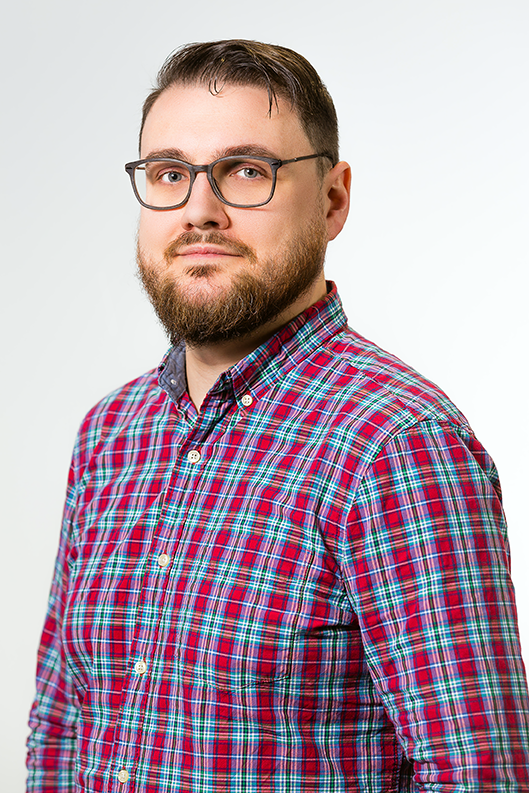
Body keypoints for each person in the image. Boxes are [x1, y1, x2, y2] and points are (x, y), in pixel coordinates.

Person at [27, 39, 529, 792]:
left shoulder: (395, 446)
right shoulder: (111, 434)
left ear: (332, 201)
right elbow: (61, 729)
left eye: (245, 171)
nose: (200, 211)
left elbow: (478, 772)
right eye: (169, 174)